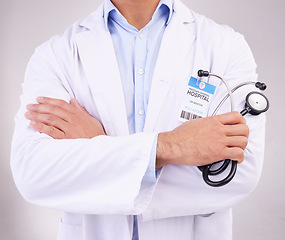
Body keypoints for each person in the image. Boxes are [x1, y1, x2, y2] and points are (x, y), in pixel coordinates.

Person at [10, 0, 266, 239]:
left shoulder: (225, 45)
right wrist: (175, 146)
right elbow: (33, 173)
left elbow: (239, 174)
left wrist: (98, 146)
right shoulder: (56, 55)